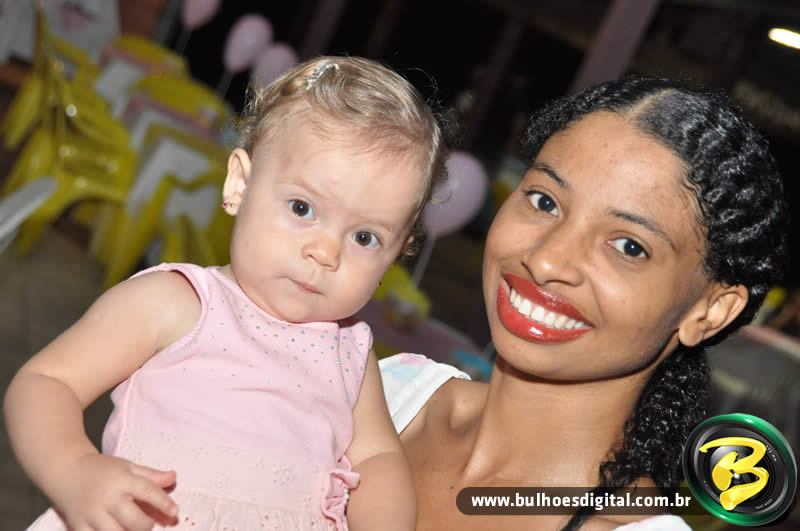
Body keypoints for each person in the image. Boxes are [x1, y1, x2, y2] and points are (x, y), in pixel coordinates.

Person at [3, 56, 447, 531]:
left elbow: (378, 461)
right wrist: (74, 469)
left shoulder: (351, 356)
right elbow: (48, 381)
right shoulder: (176, 302)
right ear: (240, 183)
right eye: (302, 208)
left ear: (396, 252)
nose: (325, 252)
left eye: (364, 237)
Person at [379, 75, 788, 530]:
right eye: (544, 201)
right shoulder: (376, 397)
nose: (547, 260)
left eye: (629, 246)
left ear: (709, 311)